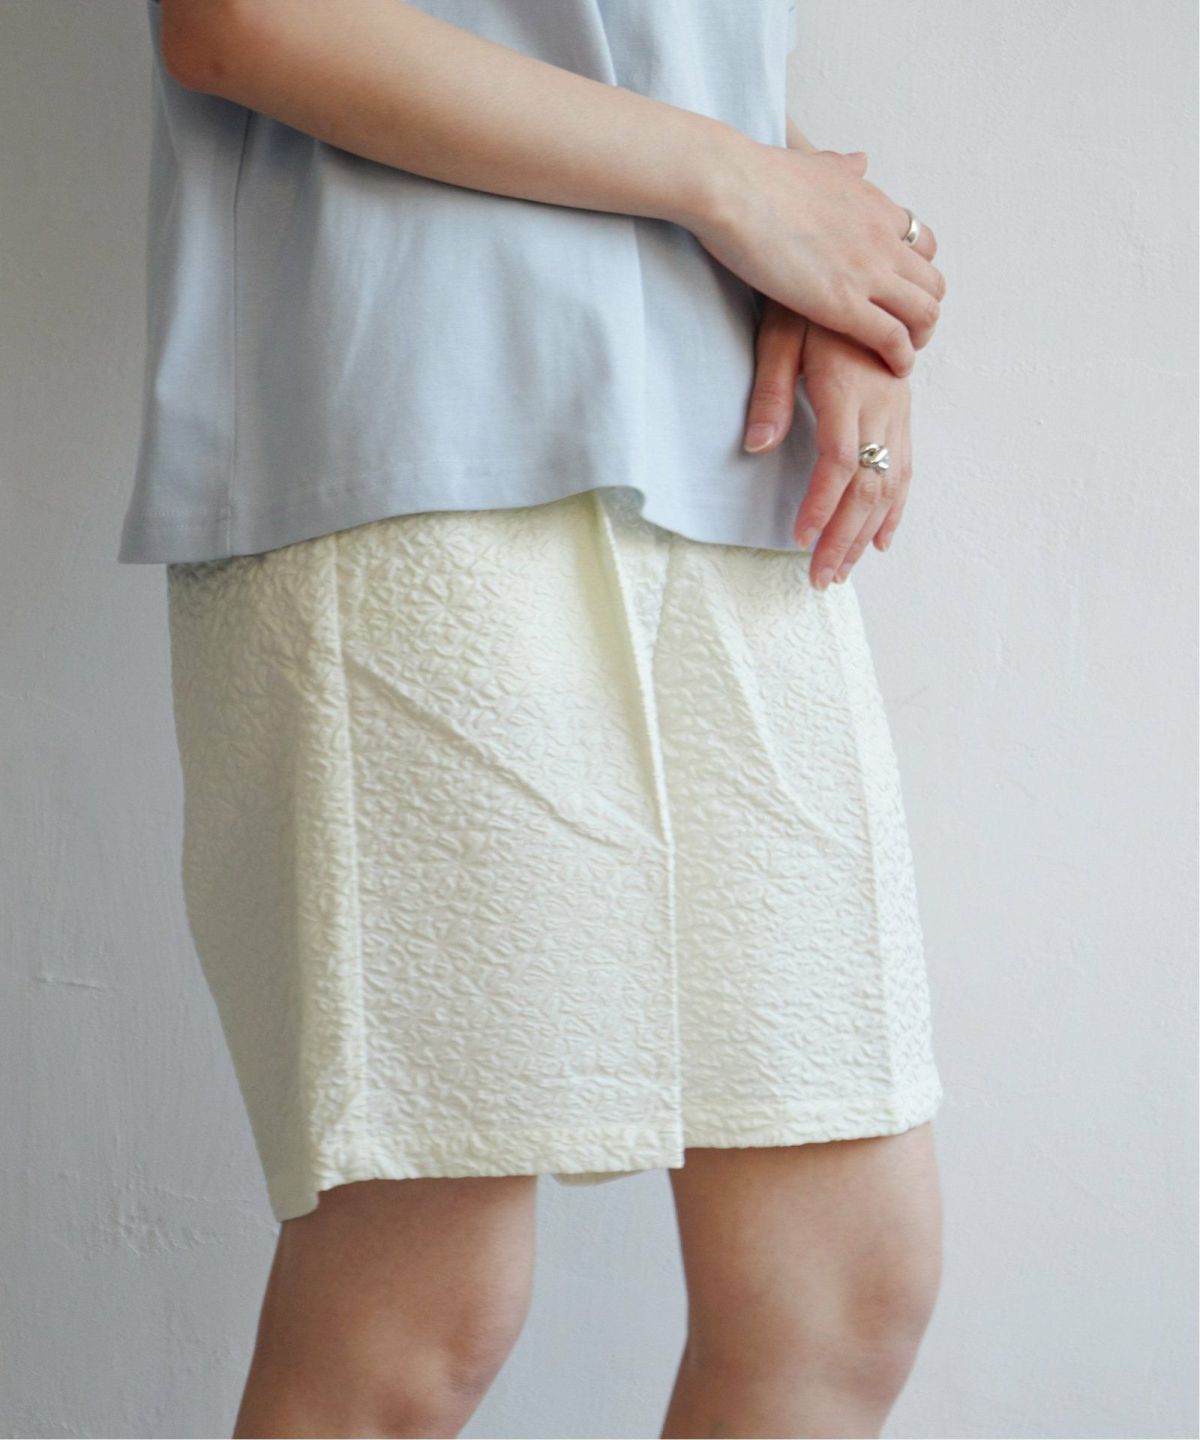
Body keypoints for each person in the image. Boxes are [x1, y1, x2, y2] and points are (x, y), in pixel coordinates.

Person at [122, 1, 949, 1434]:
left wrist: (841, 277)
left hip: (732, 464)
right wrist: (741, 187)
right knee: (418, 1312)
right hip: (411, 437)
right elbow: (238, 17)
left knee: (839, 1290)